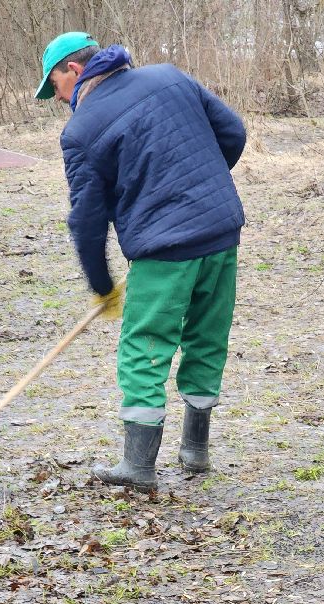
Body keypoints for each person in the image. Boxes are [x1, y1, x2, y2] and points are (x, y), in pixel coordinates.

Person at [35, 32, 246, 491]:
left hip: (164, 249)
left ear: (74, 70)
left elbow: (86, 222)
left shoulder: (81, 131)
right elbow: (233, 134)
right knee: (207, 337)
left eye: (55, 86)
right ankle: (196, 450)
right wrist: (199, 188)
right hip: (221, 231)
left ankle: (138, 467)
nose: (57, 98)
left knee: (145, 346)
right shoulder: (169, 76)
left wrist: (101, 284)